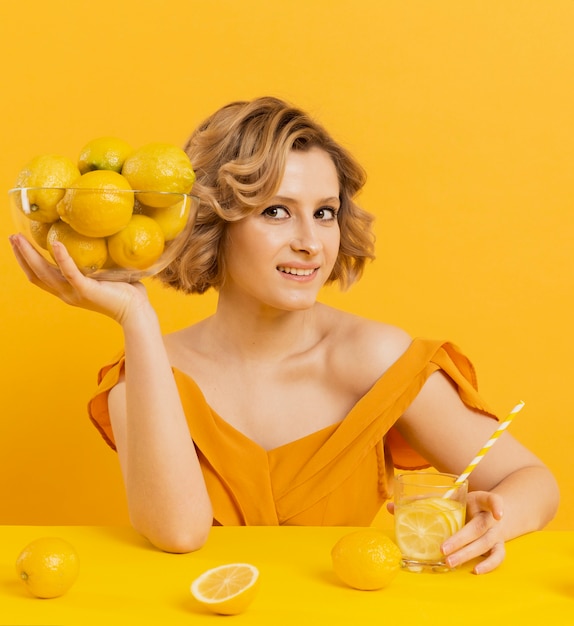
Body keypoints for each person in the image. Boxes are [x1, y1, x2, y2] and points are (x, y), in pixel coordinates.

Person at [10, 96, 559, 574]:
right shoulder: (150, 372)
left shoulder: (374, 359)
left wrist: (499, 519)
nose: (310, 242)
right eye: (276, 211)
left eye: (324, 213)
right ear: (213, 222)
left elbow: (532, 479)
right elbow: (178, 533)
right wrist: (137, 318)